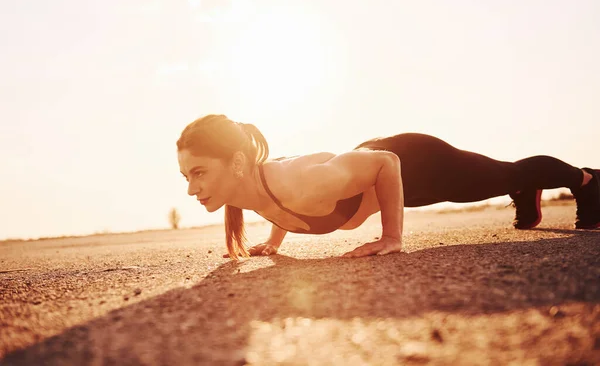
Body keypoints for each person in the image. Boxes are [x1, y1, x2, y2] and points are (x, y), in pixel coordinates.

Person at [176, 114, 600, 259]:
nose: (192, 189)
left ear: (234, 163)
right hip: (392, 185)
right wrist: (273, 243)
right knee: (500, 178)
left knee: (505, 173)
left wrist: (392, 237)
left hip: (411, 161)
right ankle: (523, 191)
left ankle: (588, 181)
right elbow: (275, 204)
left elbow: (387, 163)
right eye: (186, 176)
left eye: (199, 173)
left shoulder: (302, 181)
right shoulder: (248, 188)